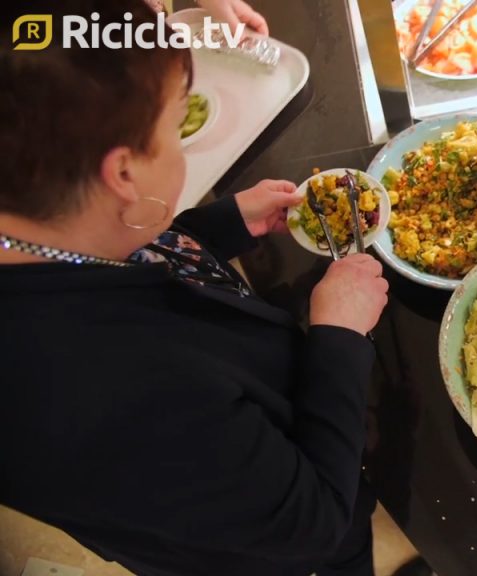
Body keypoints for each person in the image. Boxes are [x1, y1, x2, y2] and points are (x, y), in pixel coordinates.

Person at [0, 1, 387, 575]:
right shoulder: (105, 393)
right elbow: (313, 520)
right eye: (176, 127)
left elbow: (125, 257)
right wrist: (339, 335)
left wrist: (215, 228)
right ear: (123, 174)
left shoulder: (35, 231)